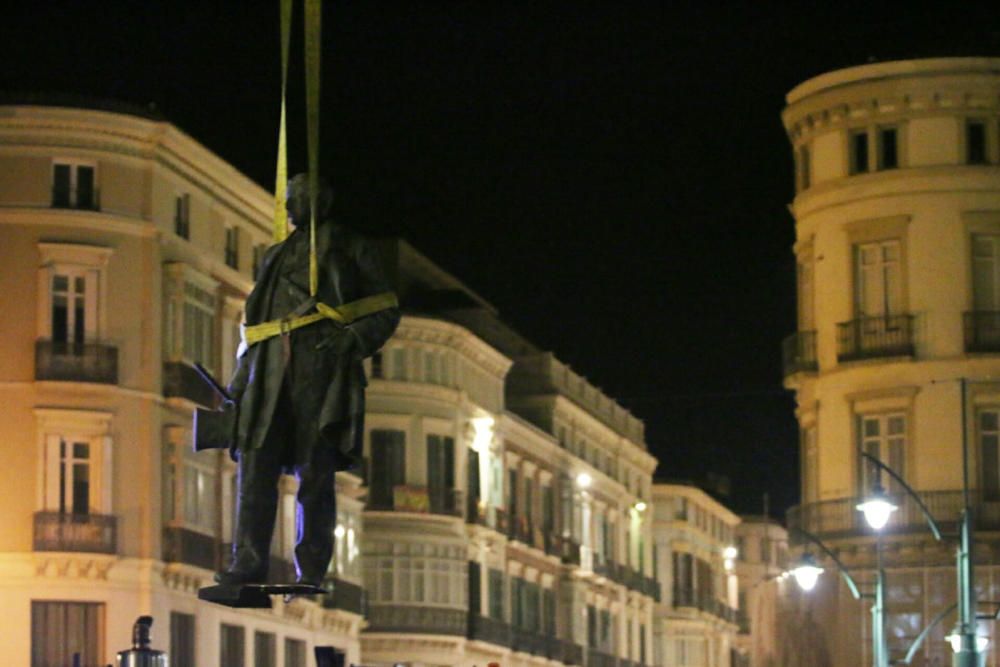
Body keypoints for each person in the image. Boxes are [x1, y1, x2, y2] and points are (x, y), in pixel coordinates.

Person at [217, 174, 400, 587]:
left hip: (320, 371)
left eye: (297, 198)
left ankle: (312, 566)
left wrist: (350, 341)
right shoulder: (275, 256)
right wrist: (239, 387)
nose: (290, 206)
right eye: (288, 199)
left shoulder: (352, 247)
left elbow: (386, 307)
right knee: (255, 463)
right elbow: (255, 326)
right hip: (269, 373)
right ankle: (247, 563)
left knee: (315, 470)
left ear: (322, 200)